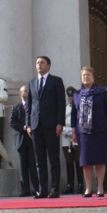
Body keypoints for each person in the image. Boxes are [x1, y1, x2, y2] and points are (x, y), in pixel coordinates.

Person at [72, 67, 107, 197]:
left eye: (88, 75)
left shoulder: (102, 92)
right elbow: (74, 114)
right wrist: (74, 132)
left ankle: (100, 187)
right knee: (86, 161)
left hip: (99, 130)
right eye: (84, 75)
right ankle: (88, 188)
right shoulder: (77, 94)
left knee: (99, 159)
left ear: (94, 78)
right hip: (83, 132)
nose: (86, 77)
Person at [26, 56, 66, 199]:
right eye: (37, 63)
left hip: (52, 126)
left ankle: (54, 189)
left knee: (53, 159)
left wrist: (60, 123)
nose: (39, 65)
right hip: (36, 126)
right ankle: (42, 189)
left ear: (48, 66)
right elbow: (29, 106)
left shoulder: (56, 81)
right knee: (39, 160)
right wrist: (28, 125)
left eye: (42, 63)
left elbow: (61, 104)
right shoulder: (31, 83)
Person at [9, 85, 39, 196]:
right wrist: (23, 127)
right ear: (20, 93)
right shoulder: (16, 107)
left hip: (31, 140)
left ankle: (36, 188)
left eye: (27, 90)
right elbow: (12, 122)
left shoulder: (33, 106)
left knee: (33, 165)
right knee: (23, 166)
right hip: (21, 140)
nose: (26, 92)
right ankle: (25, 189)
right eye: (24, 91)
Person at [61, 86, 82, 194]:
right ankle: (70, 185)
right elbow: (60, 122)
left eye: (72, 96)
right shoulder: (64, 108)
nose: (70, 99)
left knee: (78, 161)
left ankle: (80, 184)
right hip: (66, 138)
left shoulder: (79, 108)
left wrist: (74, 132)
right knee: (69, 162)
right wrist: (67, 131)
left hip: (76, 137)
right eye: (69, 97)